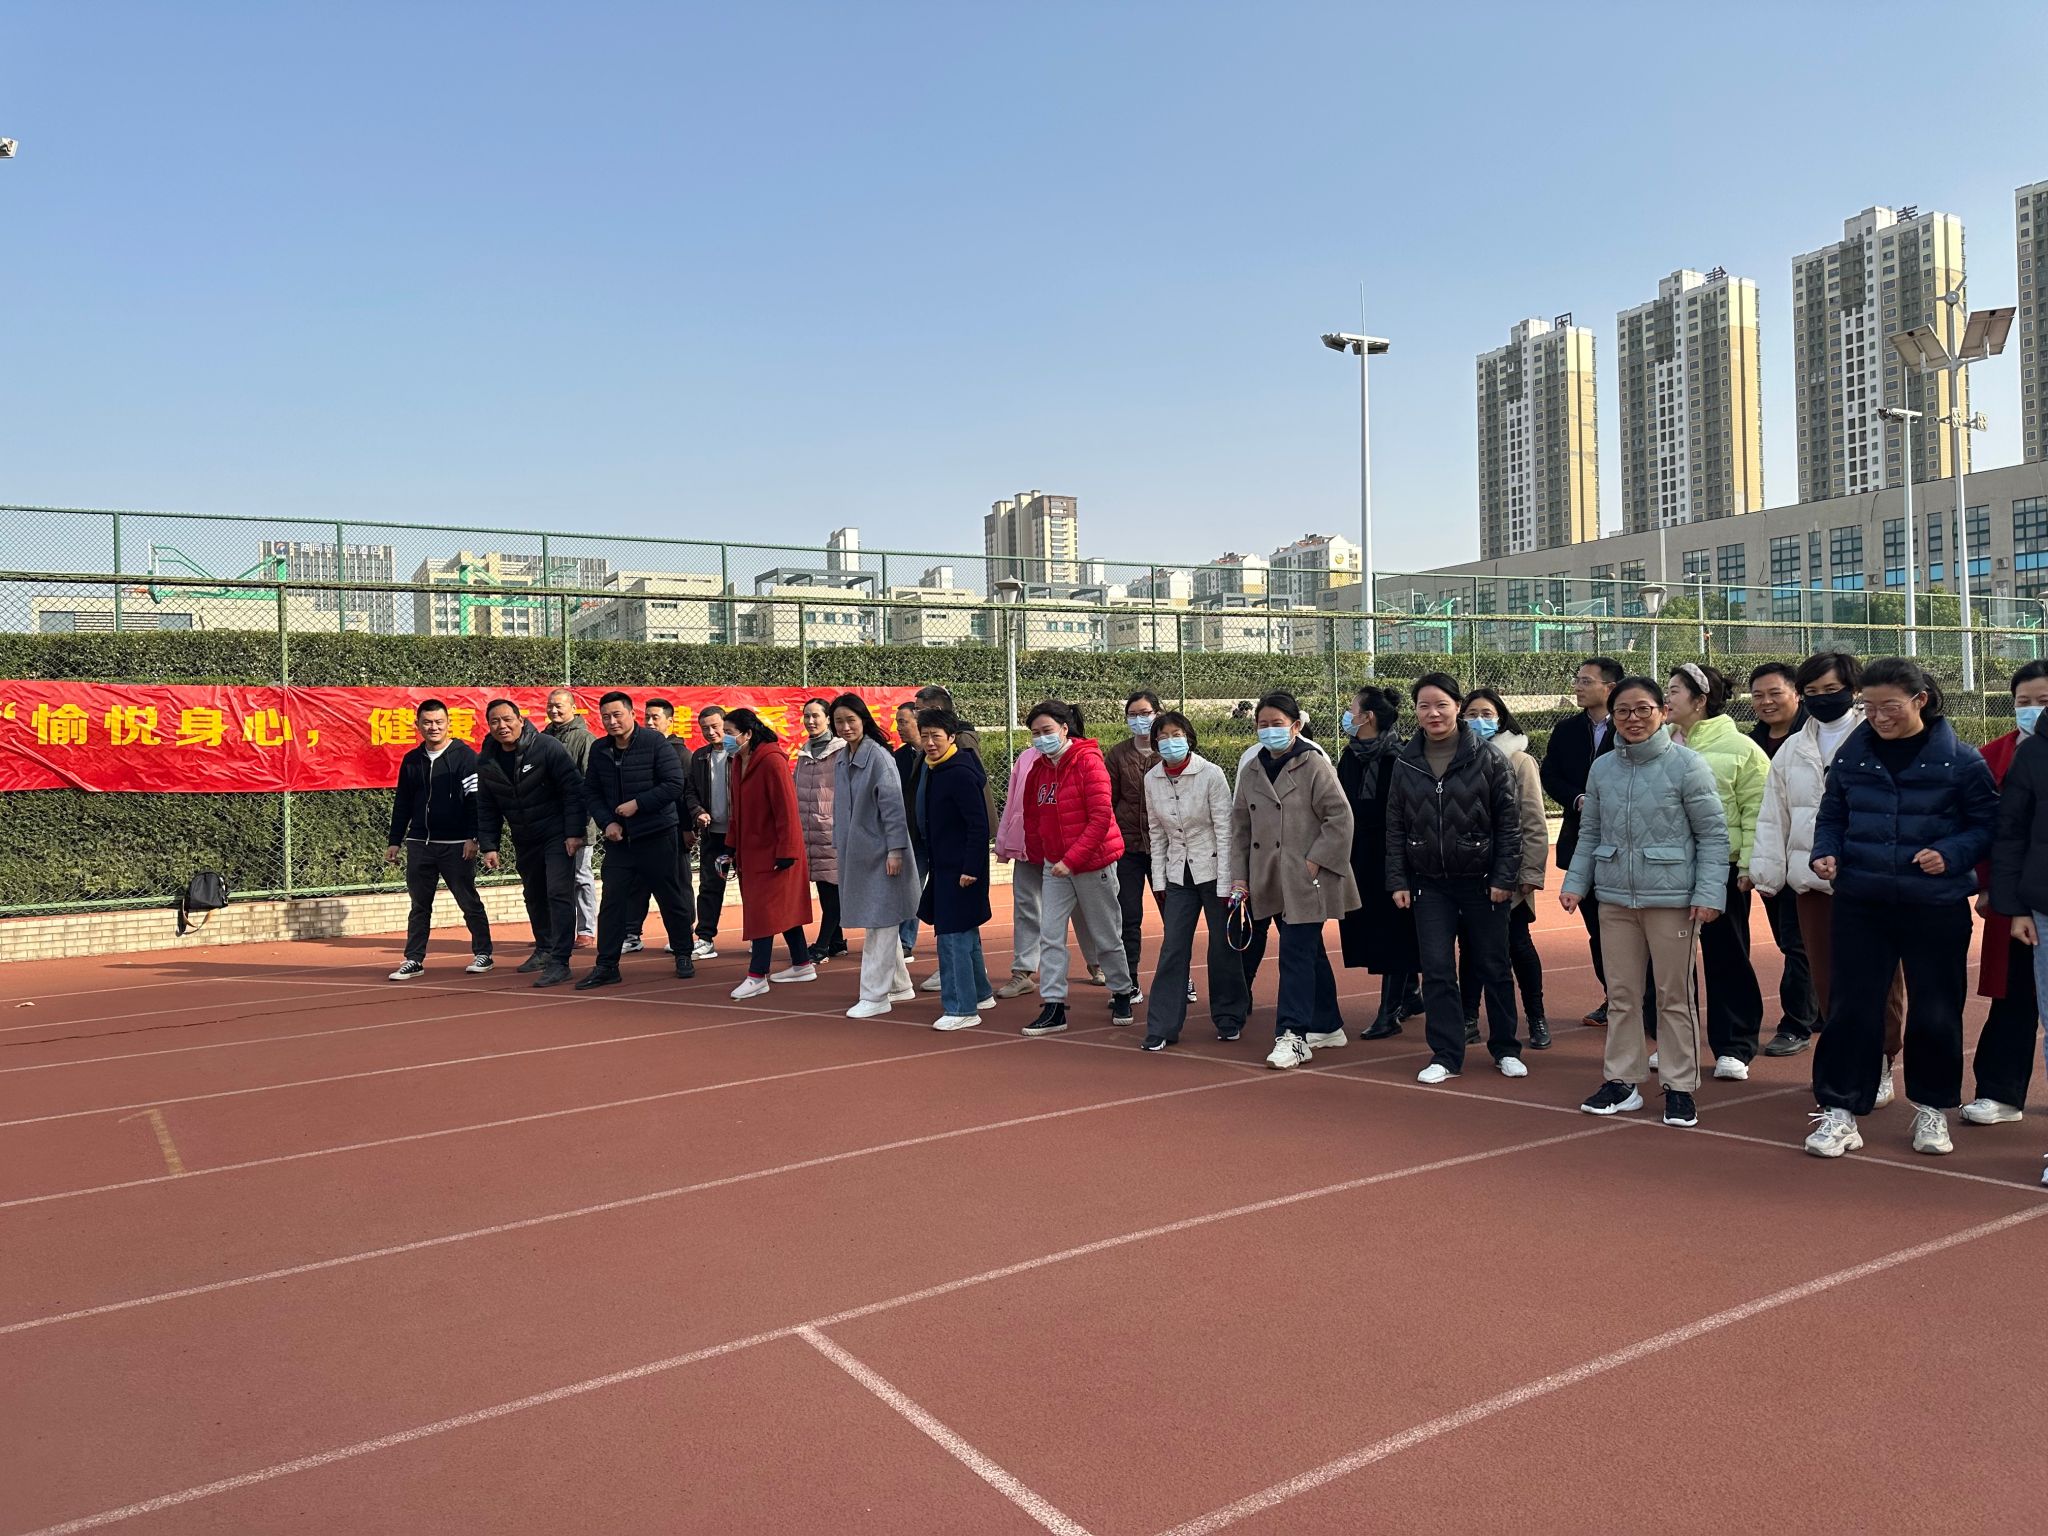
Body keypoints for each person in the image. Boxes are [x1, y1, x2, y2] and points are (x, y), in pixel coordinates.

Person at [1805, 658, 1998, 1160]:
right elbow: (1832, 814)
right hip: (1861, 900)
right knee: (1851, 1007)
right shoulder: (1853, 756)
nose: (1878, 717)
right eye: (1868, 707)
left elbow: (1987, 824)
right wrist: (1826, 851)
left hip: (1934, 904)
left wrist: (1951, 853)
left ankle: (1933, 1109)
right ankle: (1840, 1110)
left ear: (1920, 700)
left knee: (1936, 1009)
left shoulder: (1961, 760)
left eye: (1889, 706)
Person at [1563, 677, 1727, 1128]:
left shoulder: (1688, 765)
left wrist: (1709, 893)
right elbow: (1590, 833)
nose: (1633, 719)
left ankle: (1680, 1086)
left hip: (1672, 899)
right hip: (1615, 898)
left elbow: (1713, 834)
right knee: (1621, 995)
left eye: (1643, 709)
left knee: (1674, 996)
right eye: (1623, 711)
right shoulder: (1602, 769)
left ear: (1662, 712)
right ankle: (1622, 1081)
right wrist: (1575, 883)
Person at [1750, 652, 1908, 1090]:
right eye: (1813, 691)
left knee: (1880, 980)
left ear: (1853, 690)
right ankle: (1847, 1062)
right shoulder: (1792, 749)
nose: (1822, 698)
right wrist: (1766, 872)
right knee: (1827, 981)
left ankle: (1881, 1061)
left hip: (1872, 883)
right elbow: (1774, 814)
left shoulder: (1879, 737)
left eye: (1832, 690)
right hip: (1813, 884)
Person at [1387, 674, 1525, 1084]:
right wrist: (1398, 880)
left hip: (1483, 882)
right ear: (1415, 712)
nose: (1433, 713)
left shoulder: (1489, 758)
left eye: (1441, 705)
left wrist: (1504, 877)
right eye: (1424, 706)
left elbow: (1510, 824)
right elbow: (1395, 825)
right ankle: (1446, 1054)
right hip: (1429, 884)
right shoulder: (1405, 761)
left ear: (1457, 708)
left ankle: (1506, 1048)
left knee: (1493, 965)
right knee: (1437, 969)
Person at [1231, 690, 1359, 1069]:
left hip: (1306, 878)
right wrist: (1240, 878)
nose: (1269, 730)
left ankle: (1293, 1034)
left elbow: (1340, 817)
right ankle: (1328, 1025)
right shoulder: (1251, 769)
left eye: (1277, 724)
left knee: (1294, 953)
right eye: (1263, 724)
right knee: (1308, 951)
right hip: (1267, 876)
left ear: (1296, 725)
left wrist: (1314, 862)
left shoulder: (1313, 763)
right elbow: (1240, 829)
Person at [1665, 662, 1768, 1080]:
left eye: (1674, 690)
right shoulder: (1660, 743)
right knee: (1670, 963)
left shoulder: (1742, 749)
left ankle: (1735, 1047)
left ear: (1700, 699)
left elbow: (1756, 810)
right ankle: (1676, 1044)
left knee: (1727, 957)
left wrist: (1748, 865)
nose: (1667, 697)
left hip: (1721, 869)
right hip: (1668, 869)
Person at [1019, 699, 1137, 1035]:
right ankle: (1054, 1005)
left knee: (1106, 934)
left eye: (1046, 731)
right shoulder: (1039, 769)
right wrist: (1043, 856)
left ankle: (1122, 990)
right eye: (1035, 733)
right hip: (1055, 866)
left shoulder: (1089, 762)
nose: (1041, 738)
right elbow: (1033, 816)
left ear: (1064, 729)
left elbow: (1100, 818)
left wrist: (1071, 860)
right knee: (1050, 936)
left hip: (1091, 864)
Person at [1970, 661, 2048, 1126]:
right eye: (2024, 702)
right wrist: (1989, 888)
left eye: (2043, 701)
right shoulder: (1991, 755)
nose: (2033, 709)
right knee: (2015, 994)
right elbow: (1992, 831)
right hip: (2018, 897)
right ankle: (2000, 1092)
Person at [1140, 711, 1248, 1050]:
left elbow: (1225, 830)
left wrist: (1229, 882)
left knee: (1222, 946)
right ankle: (1162, 1025)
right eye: (1163, 736)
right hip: (1177, 875)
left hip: (1214, 871)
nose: (1170, 741)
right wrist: (1159, 881)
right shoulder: (1152, 779)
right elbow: (1156, 833)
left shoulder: (1211, 773)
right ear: (1155, 743)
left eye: (1176, 734)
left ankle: (1229, 1017)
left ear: (1188, 737)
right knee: (1173, 947)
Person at [577, 691, 696, 989]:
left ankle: (683, 953)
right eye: (606, 716)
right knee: (612, 903)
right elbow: (591, 791)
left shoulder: (655, 743)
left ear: (632, 714)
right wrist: (608, 822)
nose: (612, 721)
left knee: (671, 898)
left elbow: (674, 784)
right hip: (620, 842)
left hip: (657, 836)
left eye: (617, 714)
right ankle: (607, 965)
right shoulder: (600, 749)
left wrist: (638, 805)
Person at [1457, 686, 1550, 1049]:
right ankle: (1468, 1017)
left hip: (1508, 871)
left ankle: (1536, 1016)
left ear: (1500, 718)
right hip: (1469, 872)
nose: (1478, 721)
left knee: (1517, 945)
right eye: (1471, 715)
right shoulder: (1455, 757)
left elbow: (1533, 820)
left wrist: (1530, 873)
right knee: (1470, 947)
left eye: (1486, 714)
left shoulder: (1519, 760)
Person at [475, 698, 585, 988]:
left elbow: (573, 790)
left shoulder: (547, 747)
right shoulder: (487, 759)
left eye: (507, 719)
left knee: (558, 892)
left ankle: (560, 961)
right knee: (534, 894)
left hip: (557, 834)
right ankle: (544, 949)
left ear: (521, 721)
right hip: (524, 837)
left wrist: (574, 832)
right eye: (495, 721)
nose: (502, 726)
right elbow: (486, 805)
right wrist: (489, 845)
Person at [384, 699, 493, 980]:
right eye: (427, 722)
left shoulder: (465, 757)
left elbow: (475, 801)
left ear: (448, 723)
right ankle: (413, 959)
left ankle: (483, 953)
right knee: (419, 905)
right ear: (418, 725)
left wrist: (473, 837)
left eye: (438, 722)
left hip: (456, 845)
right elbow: (403, 803)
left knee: (468, 900)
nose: (433, 727)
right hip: (420, 844)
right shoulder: (412, 760)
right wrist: (395, 840)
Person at [1541, 656, 1623, 1027]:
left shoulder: (1629, 726)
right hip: (1582, 842)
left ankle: (1644, 999)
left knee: (1629, 929)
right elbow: (1550, 774)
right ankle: (1614, 997)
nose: (1577, 686)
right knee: (1597, 930)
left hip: (1624, 845)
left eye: (1586, 681)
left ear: (1610, 687)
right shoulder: (1566, 730)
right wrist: (1576, 799)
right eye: (1577, 680)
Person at [1743, 663, 1819, 1053]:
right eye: (1758, 695)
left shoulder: (1814, 738)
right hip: (1772, 856)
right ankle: (1815, 1011)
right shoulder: (1750, 743)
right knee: (1790, 940)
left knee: (1799, 943)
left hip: (1812, 858)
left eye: (1775, 693)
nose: (1766, 702)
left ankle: (1796, 1025)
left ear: (1797, 694)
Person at [1336, 685, 1418, 1039]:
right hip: (1358, 855)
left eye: (1352, 708)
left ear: (1367, 717)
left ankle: (1389, 1014)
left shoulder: (1401, 758)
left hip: (1393, 854)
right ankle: (1411, 994)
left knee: (1394, 931)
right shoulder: (1350, 756)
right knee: (1370, 927)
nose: (1347, 715)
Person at [830, 695, 920, 1017]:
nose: (845, 727)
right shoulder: (842, 758)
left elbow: (893, 808)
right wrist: (838, 842)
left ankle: (874, 995)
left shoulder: (879, 758)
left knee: (880, 921)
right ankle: (899, 985)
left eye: (851, 720)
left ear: (863, 720)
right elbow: (840, 808)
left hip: (882, 854)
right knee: (880, 920)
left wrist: (895, 850)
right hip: (857, 854)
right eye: (839, 722)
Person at [723, 706, 815, 999]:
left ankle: (757, 974)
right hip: (751, 849)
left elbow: (787, 809)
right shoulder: (739, 761)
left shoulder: (772, 761)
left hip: (775, 851)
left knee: (762, 911)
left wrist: (787, 850)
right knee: (781, 909)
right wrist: (730, 845)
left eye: (729, 733)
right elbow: (736, 809)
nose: (725, 739)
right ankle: (802, 963)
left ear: (747, 734)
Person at [915, 707, 995, 1029]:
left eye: (936, 736)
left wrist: (971, 868)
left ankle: (961, 1009)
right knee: (965, 932)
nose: (929, 742)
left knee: (951, 937)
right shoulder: (935, 768)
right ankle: (981, 993)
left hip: (961, 870)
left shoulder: (959, 772)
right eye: (924, 736)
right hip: (944, 866)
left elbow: (978, 824)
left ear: (951, 737)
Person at [622, 698, 703, 959]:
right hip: (643, 830)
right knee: (637, 883)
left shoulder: (682, 754)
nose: (649, 722)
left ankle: (682, 933)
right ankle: (631, 934)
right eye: (646, 717)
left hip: (674, 831)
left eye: (655, 717)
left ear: (670, 721)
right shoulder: (636, 750)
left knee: (678, 882)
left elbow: (686, 794)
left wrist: (688, 828)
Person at [1105, 689, 1163, 998]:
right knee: (1128, 916)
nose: (1139, 720)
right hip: (1127, 849)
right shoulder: (1117, 755)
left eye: (1145, 713)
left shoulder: (1170, 750)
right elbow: (1108, 802)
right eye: (1132, 715)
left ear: (1157, 714)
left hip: (1165, 849)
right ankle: (1129, 982)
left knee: (1174, 917)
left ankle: (1179, 977)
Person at [542, 689, 600, 948]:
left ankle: (586, 929)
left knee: (580, 876)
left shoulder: (585, 739)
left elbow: (590, 784)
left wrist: (581, 823)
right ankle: (556, 931)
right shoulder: (542, 738)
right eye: (550, 705)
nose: (554, 710)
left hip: (578, 823)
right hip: (548, 823)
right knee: (551, 880)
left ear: (574, 708)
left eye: (559, 705)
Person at [793, 697, 848, 962]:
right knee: (825, 888)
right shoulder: (804, 754)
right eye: (807, 716)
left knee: (832, 890)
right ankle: (837, 941)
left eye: (816, 715)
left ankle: (822, 945)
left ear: (828, 719)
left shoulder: (841, 751)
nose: (810, 721)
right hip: (809, 833)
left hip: (832, 832)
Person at [685, 705, 732, 960]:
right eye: (705, 728)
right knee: (710, 886)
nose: (711, 732)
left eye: (716, 726)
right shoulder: (700, 757)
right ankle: (705, 938)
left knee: (752, 887)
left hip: (742, 835)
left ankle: (758, 937)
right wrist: (698, 812)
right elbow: (690, 791)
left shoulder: (741, 754)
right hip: (714, 837)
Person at [893, 700, 927, 964]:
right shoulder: (898, 758)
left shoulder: (937, 752)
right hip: (912, 834)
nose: (899, 727)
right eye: (897, 722)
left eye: (903, 722)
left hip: (937, 833)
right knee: (910, 886)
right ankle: (904, 942)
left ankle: (958, 941)